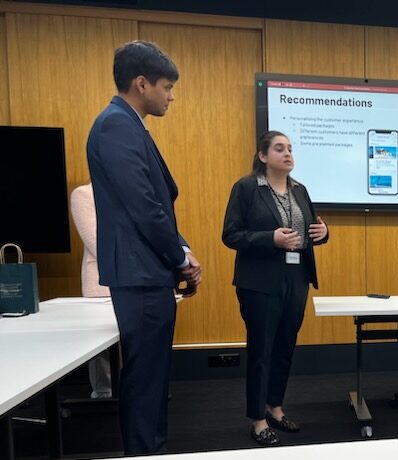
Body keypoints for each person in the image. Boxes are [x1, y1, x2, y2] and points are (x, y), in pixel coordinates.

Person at [86, 41, 202, 455]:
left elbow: (157, 203)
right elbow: (143, 208)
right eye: (167, 87)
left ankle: (151, 449)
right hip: (140, 273)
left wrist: (181, 248)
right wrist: (180, 257)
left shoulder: (128, 123)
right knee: (145, 377)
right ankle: (143, 452)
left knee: (152, 376)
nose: (171, 96)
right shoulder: (116, 125)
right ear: (141, 83)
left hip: (147, 270)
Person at [222, 130, 329, 447]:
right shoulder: (246, 188)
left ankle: (275, 408)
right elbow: (231, 235)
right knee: (262, 351)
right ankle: (257, 420)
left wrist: (323, 232)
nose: (287, 154)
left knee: (284, 347)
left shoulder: (300, 190)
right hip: (259, 281)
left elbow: (310, 230)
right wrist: (270, 239)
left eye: (290, 149)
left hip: (296, 279)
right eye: (279, 148)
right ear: (263, 156)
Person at [70, 183, 113, 399]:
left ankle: (132, 389)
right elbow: (96, 242)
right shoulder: (83, 194)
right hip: (100, 281)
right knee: (102, 346)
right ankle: (104, 391)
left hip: (135, 278)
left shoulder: (128, 191)